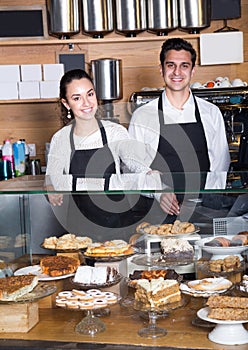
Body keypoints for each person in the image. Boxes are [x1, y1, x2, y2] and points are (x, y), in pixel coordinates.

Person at [128, 38, 230, 222]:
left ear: (192, 70)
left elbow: (220, 164)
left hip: (203, 213)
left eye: (184, 65)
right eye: (171, 65)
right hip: (156, 215)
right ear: (161, 69)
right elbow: (132, 167)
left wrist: (207, 202)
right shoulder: (143, 116)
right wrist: (158, 192)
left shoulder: (211, 113)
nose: (177, 72)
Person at [45, 69, 152, 238]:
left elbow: (133, 161)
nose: (86, 103)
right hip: (78, 230)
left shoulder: (115, 132)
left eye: (90, 94)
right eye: (77, 98)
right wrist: (51, 187)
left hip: (118, 227)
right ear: (66, 104)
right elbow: (52, 177)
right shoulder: (61, 138)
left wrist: (148, 173)